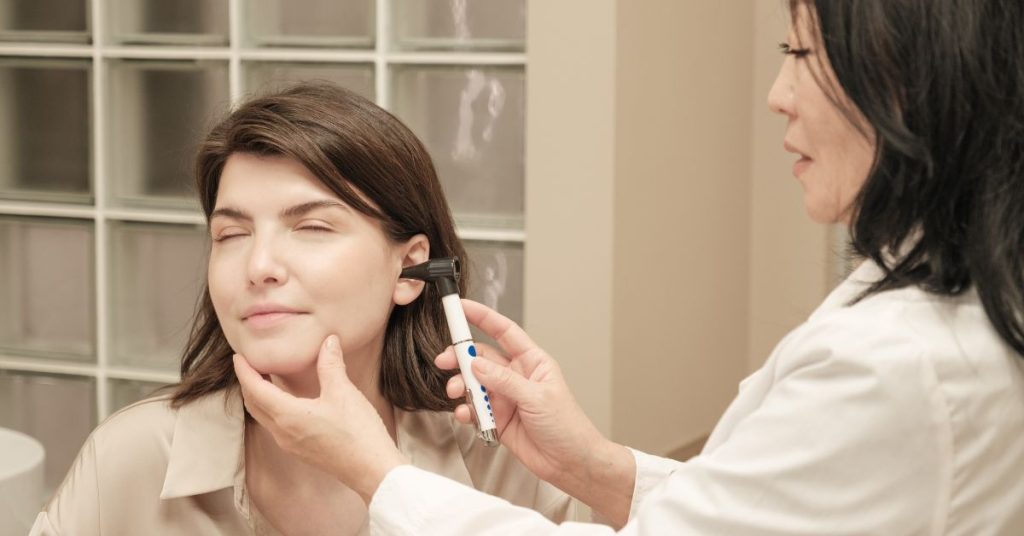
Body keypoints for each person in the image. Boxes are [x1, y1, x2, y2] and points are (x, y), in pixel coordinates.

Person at [232, 0, 1024, 533]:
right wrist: (595, 467)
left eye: (800, 53)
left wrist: (377, 474)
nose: (778, 94)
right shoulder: (131, 460)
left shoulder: (899, 366)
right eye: (229, 232)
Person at [30, 83, 581, 535]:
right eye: (232, 233)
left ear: (410, 270)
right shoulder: (128, 458)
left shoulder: (496, 457)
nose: (259, 264)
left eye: (312, 227)